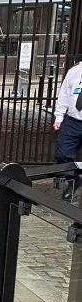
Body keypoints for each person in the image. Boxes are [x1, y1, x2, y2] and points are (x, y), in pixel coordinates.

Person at [52, 60, 82, 200]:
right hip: (72, 120)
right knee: (63, 153)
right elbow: (64, 94)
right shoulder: (74, 71)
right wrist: (59, 116)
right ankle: (72, 181)